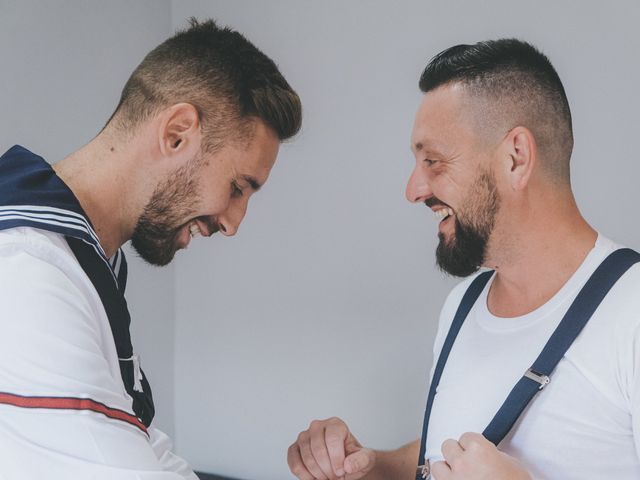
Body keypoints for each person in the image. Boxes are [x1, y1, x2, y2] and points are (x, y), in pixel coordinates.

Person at [287, 39, 640, 480]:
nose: (413, 190)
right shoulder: (462, 306)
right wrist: (371, 466)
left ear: (516, 158)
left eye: (433, 161)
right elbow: (446, 454)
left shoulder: (633, 313)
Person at [0, 18, 301, 479]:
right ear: (177, 133)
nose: (233, 222)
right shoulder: (27, 268)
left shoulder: (84, 261)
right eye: (238, 187)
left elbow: (143, 447)